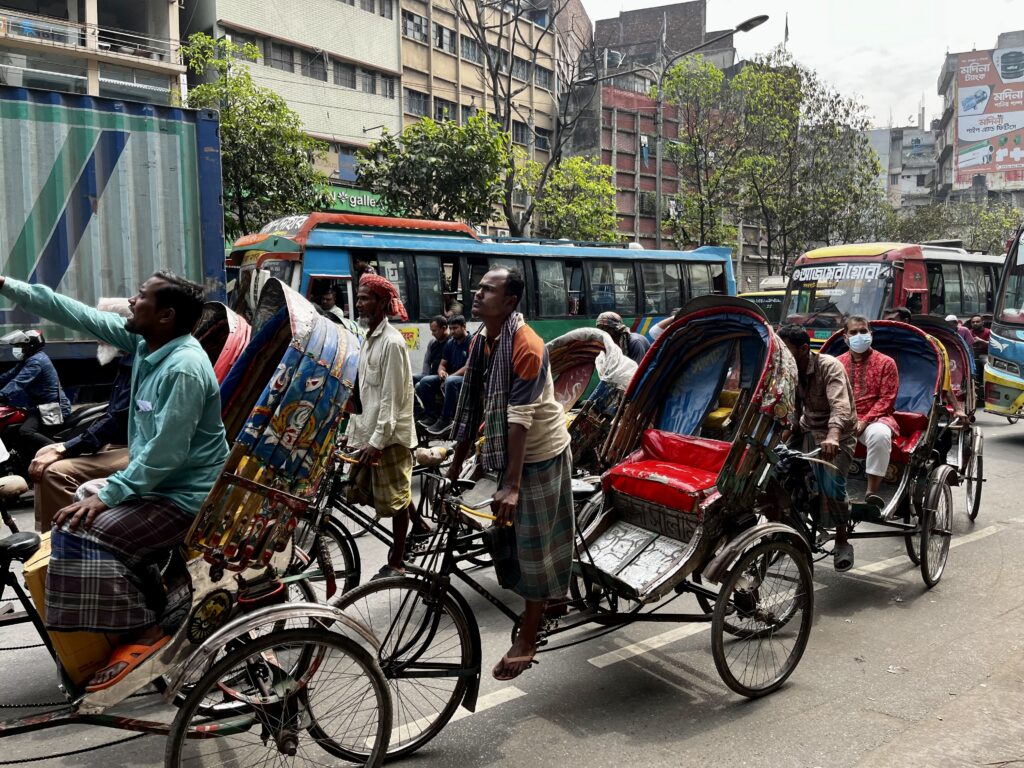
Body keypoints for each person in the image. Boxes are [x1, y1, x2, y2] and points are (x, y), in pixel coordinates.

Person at [0, 271, 227, 692]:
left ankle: (144, 632)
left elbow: (167, 454)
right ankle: (139, 616)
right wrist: (6, 285)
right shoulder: (146, 345)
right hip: (158, 485)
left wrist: (112, 494)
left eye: (140, 297)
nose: (130, 302)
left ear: (165, 316)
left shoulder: (184, 368)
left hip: (186, 496)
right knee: (75, 515)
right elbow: (75, 313)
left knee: (83, 530)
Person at [446, 267, 573, 681]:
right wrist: (455, 462)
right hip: (507, 453)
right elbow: (470, 405)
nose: (477, 293)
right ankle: (548, 598)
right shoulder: (482, 341)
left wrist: (513, 487)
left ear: (511, 302)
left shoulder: (527, 345)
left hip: (539, 454)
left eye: (488, 289)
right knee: (502, 536)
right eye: (478, 287)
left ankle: (529, 637)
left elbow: (518, 419)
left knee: (534, 549)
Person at [28, 299, 133, 531]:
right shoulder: (127, 359)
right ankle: (46, 532)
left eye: (101, 328)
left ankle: (70, 539)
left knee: (56, 473)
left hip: (136, 449)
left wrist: (65, 448)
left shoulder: (141, 361)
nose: (97, 336)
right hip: (119, 442)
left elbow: (114, 419)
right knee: (43, 452)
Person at [343, 273, 419, 578]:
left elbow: (390, 400)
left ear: (382, 303)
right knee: (380, 490)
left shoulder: (392, 343)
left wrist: (376, 442)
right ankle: (422, 524)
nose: (359, 304)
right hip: (370, 430)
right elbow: (364, 392)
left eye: (365, 298)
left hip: (389, 437)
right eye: (359, 298)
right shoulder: (368, 339)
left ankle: (397, 560)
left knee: (396, 501)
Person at [778, 324, 858, 571]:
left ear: (803, 349)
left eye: (787, 349)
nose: (783, 355)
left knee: (831, 482)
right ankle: (790, 524)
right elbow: (788, 408)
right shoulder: (787, 369)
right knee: (772, 469)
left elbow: (840, 406)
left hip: (839, 434)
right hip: (806, 427)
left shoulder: (829, 366)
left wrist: (833, 436)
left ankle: (843, 540)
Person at [836, 315, 899, 508]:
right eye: (853, 332)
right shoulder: (836, 364)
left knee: (880, 436)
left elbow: (887, 399)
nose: (859, 336)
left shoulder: (886, 363)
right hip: (842, 418)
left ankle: (871, 492)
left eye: (863, 331)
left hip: (876, 419)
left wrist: (864, 422)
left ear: (870, 334)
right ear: (845, 337)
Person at [0, 330, 71, 461]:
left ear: (31, 345)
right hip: (39, 407)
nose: (17, 349)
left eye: (21, 346)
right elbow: (8, 376)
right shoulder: (28, 360)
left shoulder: (36, 362)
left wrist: (2, 395)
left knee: (25, 431)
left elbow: (18, 382)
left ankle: (61, 453)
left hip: (51, 408)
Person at [423, 315, 471, 434]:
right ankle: (432, 415)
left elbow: (468, 367)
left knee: (450, 381)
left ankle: (446, 419)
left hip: (468, 379)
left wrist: (450, 376)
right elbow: (442, 364)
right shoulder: (450, 343)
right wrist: (441, 372)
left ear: (464, 326)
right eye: (451, 329)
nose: (452, 331)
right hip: (451, 377)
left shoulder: (472, 341)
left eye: (455, 328)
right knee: (423, 383)